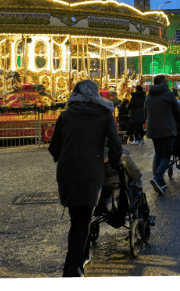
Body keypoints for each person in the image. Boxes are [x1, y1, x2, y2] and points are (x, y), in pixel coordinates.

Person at [48, 79, 122, 277]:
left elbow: (53, 148)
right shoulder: (104, 114)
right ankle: (71, 270)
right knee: (82, 219)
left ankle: (82, 256)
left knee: (77, 218)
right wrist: (114, 162)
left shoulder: (65, 116)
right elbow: (115, 145)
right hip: (91, 170)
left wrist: (62, 157)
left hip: (66, 171)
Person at [144, 75, 180, 195]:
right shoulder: (168, 94)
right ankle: (157, 177)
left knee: (158, 154)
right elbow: (177, 111)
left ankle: (160, 182)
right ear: (162, 82)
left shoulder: (149, 95)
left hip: (153, 129)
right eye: (166, 81)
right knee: (166, 155)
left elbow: (145, 112)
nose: (167, 83)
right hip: (167, 129)